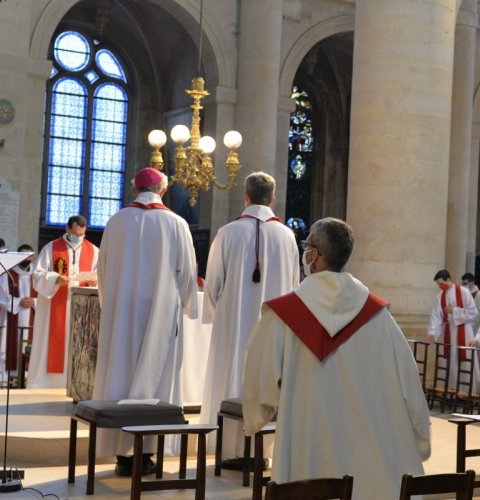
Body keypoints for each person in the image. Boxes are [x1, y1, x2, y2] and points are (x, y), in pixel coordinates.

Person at [240, 217, 430, 500]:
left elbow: (258, 373)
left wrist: (256, 414)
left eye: (306, 248)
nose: (304, 255)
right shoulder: (377, 315)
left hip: (307, 445)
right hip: (366, 449)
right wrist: (420, 434)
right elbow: (409, 380)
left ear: (315, 255)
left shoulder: (284, 314)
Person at [93, 168, 198, 475]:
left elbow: (103, 271)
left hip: (122, 313)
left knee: (121, 375)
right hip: (161, 314)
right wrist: (186, 306)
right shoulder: (176, 223)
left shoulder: (117, 221)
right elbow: (188, 273)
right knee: (157, 377)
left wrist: (110, 306)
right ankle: (147, 453)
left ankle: (122, 454)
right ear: (162, 190)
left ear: (134, 189)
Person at [199, 172, 299, 465]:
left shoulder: (228, 233)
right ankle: (261, 453)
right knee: (267, 379)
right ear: (272, 198)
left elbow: (213, 283)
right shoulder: (288, 236)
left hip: (233, 326)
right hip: (274, 328)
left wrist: (225, 316)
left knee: (230, 376)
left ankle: (228, 449)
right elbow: (294, 286)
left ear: (245, 197)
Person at [27, 215, 99, 389]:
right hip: (55, 307)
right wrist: (55, 279)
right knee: (54, 343)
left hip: (82, 308)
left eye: (82, 234)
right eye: (75, 233)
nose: (79, 237)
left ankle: (79, 382)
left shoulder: (94, 251)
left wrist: (95, 281)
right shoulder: (51, 248)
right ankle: (47, 383)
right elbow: (37, 275)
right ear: (67, 229)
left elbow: (102, 275)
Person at [427, 268, 478, 392]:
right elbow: (436, 316)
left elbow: (473, 312)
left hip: (463, 332)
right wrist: (432, 333)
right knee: (449, 362)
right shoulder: (440, 296)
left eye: (442, 283)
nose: (440, 286)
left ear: (448, 280)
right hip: (448, 332)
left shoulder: (464, 292)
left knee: (464, 362)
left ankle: (466, 392)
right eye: (438, 284)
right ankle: (450, 391)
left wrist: (454, 311)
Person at [0, 247, 34, 387]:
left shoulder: (36, 275)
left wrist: (35, 301)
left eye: (29, 256)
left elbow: (45, 296)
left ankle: (28, 382)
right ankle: (6, 382)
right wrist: (18, 302)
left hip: (31, 315)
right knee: (10, 346)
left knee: (27, 347)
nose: (27, 259)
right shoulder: (8, 273)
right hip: (11, 317)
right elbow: (0, 296)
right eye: (24, 256)